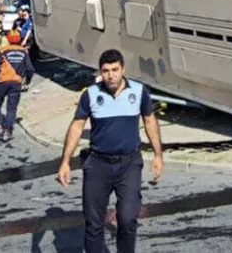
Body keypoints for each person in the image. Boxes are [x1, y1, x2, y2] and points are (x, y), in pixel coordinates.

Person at [58, 49, 164, 253]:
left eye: (115, 69)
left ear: (123, 69)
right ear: (100, 72)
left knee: (127, 218)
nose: (111, 75)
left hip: (129, 164)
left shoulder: (139, 92)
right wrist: (65, 161)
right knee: (93, 223)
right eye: (106, 70)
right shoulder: (91, 94)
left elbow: (150, 121)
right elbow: (77, 126)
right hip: (98, 165)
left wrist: (158, 155)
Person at [0, 30, 33, 143]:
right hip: (16, 83)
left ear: (8, 39)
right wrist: (27, 81)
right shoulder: (24, 52)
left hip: (2, 81)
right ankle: (7, 131)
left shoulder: (3, 51)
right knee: (12, 107)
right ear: (19, 39)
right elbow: (30, 69)